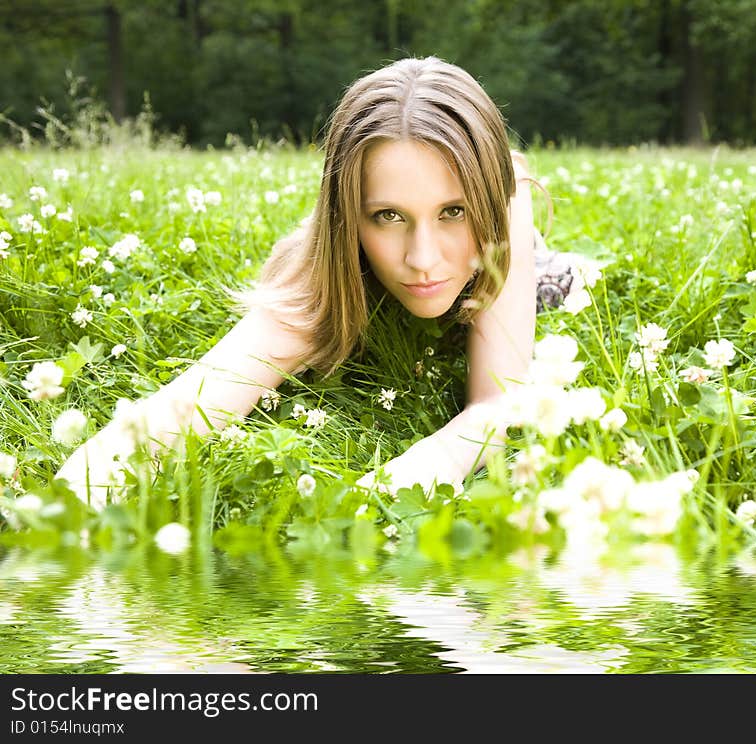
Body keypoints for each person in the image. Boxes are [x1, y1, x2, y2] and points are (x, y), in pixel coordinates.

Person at [56, 56, 579, 509]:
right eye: (387, 217)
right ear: (348, 215)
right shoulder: (320, 272)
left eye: (453, 212)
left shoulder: (507, 196)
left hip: (520, 260)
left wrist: (415, 470)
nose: (422, 259)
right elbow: (195, 397)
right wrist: (60, 512)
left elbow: (498, 400)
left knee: (559, 281)